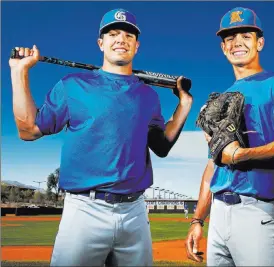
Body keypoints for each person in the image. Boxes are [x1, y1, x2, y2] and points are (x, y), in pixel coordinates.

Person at [9, 8, 192, 267]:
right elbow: (28, 130)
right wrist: (19, 72)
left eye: (128, 35)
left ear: (136, 46)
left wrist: (183, 106)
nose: (121, 39)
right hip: (85, 210)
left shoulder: (148, 96)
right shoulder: (73, 85)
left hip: (135, 212)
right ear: (101, 43)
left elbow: (161, 146)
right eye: (113, 34)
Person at [185, 7, 274, 266]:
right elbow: (213, 164)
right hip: (220, 218)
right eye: (230, 38)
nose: (237, 43)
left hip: (260, 214)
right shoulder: (221, 101)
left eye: (246, 35)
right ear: (223, 48)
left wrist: (241, 155)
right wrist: (198, 220)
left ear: (260, 43)